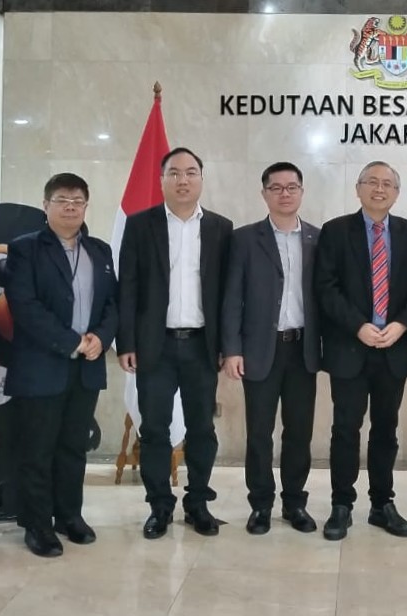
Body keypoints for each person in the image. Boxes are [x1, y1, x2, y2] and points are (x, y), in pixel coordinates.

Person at [117, 147, 233, 539]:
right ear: (162, 179)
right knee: (155, 430)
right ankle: (159, 507)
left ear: (202, 178)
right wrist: (127, 341)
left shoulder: (221, 228)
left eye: (191, 172)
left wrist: (227, 345)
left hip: (202, 346)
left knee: (202, 429)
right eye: (174, 173)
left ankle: (198, 503)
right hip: (155, 347)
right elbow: (127, 287)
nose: (183, 180)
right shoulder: (140, 225)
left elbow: (227, 294)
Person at [4, 173, 118, 557]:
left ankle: (70, 515)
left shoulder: (100, 251)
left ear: (87, 206)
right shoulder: (25, 249)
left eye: (77, 200)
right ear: (46, 205)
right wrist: (71, 342)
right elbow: (24, 306)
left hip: (86, 366)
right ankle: (37, 525)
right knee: (38, 449)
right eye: (61, 199)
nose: (70, 206)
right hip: (42, 365)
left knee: (74, 447)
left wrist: (101, 338)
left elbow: (112, 304)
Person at [315, 161, 407, 541]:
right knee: (345, 429)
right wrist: (358, 326)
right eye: (372, 182)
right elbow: (326, 287)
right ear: (358, 188)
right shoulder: (334, 231)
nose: (379, 189)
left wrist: (401, 325)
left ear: (396, 193)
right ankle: (341, 504)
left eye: (387, 184)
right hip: (350, 346)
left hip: (393, 348)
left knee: (386, 429)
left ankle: (382, 504)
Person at [222, 162, 321, 535]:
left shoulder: (316, 238)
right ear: (264, 193)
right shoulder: (245, 239)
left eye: (291, 187)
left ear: (301, 192)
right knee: (259, 433)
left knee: (299, 432)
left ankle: (294, 503)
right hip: (260, 351)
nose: (285, 193)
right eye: (276, 187)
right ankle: (260, 504)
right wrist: (232, 349)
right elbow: (232, 298)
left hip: (302, 350)